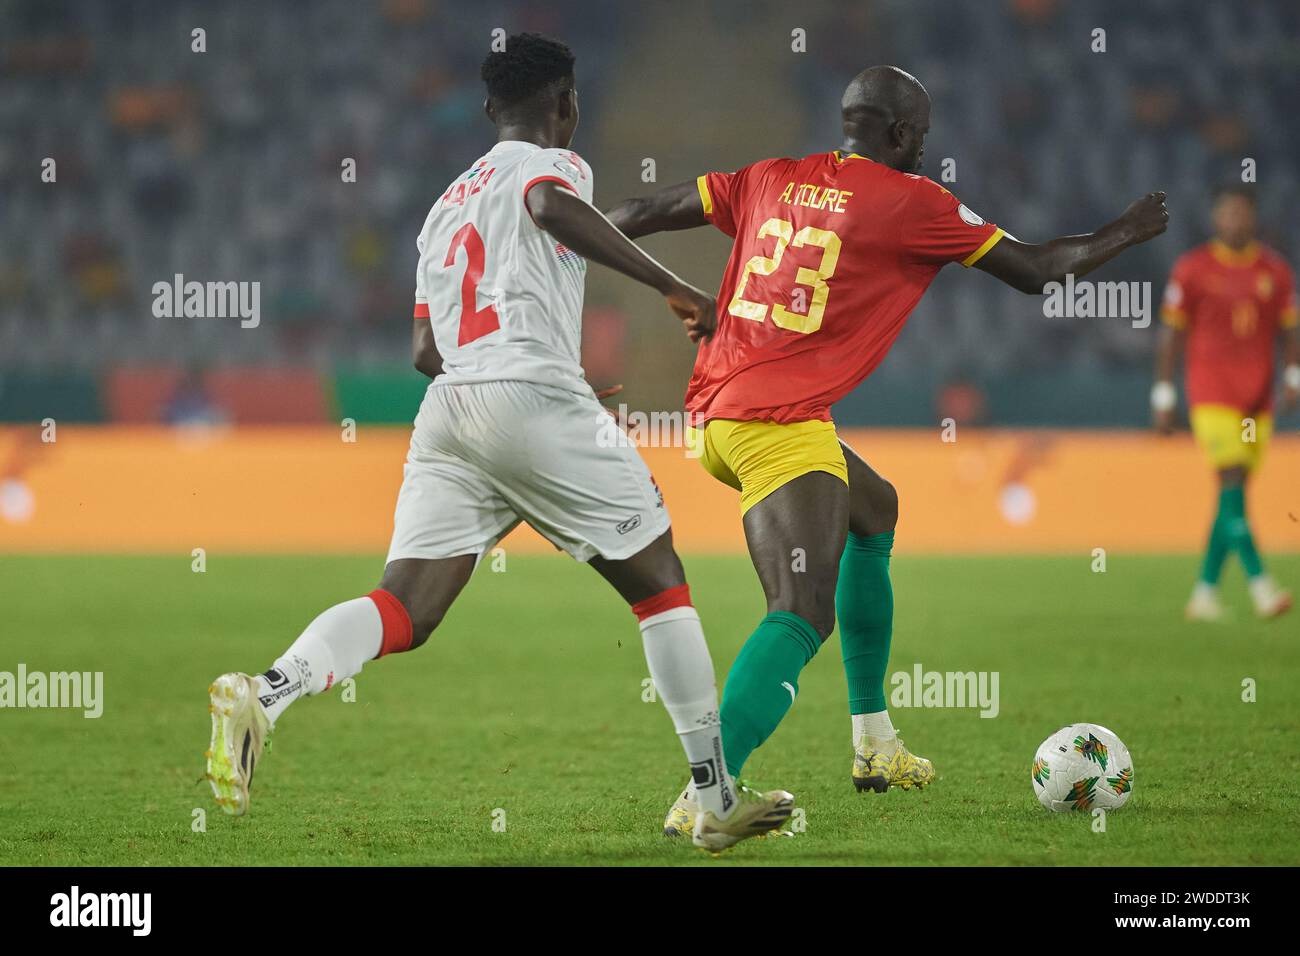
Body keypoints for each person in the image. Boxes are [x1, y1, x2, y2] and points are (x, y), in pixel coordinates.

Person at [205, 33, 793, 853]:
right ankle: (715, 796)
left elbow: (422, 350)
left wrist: (527, 378)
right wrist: (673, 285)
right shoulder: (556, 165)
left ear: (488, 109)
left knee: (405, 606)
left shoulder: (444, 205)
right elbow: (551, 207)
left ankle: (266, 691)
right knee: (661, 586)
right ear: (566, 106)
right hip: (529, 398)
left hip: (453, 409)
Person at [605, 65, 1168, 834]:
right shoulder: (913, 203)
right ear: (902, 135)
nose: (925, 152)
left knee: (876, 511)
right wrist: (1125, 232)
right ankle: (712, 791)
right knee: (800, 609)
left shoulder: (769, 176)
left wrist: (557, 247)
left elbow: (641, 208)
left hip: (716, 412)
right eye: (922, 139)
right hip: (778, 421)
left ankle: (874, 744)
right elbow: (1038, 270)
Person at [1154, 184, 1296, 621]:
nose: (1235, 220)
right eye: (1227, 212)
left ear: (1252, 218)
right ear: (1216, 218)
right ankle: (1261, 586)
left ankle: (1204, 594)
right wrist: (1164, 392)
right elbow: (1172, 334)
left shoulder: (1275, 270)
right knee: (1232, 477)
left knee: (1230, 496)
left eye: (1242, 213)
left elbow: (1291, 331)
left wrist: (1293, 376)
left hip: (1258, 399)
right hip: (1211, 394)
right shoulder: (1193, 269)